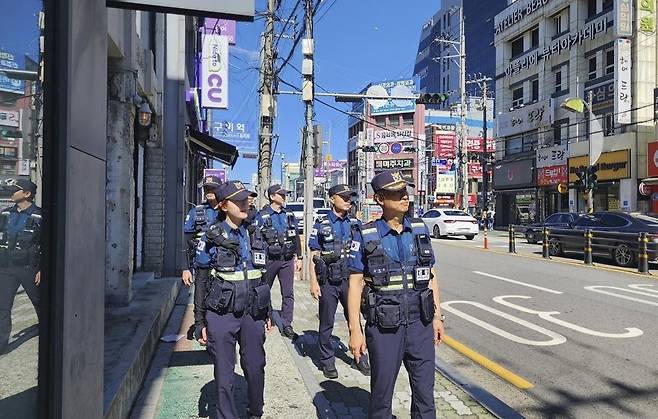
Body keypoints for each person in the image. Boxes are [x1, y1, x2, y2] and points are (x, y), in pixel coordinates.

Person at [346, 170, 444, 419]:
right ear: (380, 199)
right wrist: (355, 331)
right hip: (384, 328)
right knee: (381, 395)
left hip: (420, 324)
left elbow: (430, 275)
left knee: (425, 394)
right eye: (396, 192)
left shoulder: (420, 230)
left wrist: (437, 317)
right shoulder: (366, 235)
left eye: (405, 191)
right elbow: (355, 283)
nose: (404, 197)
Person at [194, 180, 272, 419]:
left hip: (252, 312)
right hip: (221, 313)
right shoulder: (211, 236)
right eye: (239, 200)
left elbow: (262, 275)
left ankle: (255, 410)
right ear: (224, 205)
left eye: (246, 199)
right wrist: (200, 321)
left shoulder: (255, 231)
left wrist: (267, 310)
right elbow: (202, 279)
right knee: (225, 373)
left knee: (255, 366)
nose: (245, 203)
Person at [308, 184, 370, 379]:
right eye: (343, 197)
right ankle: (327, 361)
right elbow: (314, 253)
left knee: (356, 320)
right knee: (327, 322)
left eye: (349, 197)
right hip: (328, 281)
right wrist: (313, 282)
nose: (348, 200)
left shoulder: (355, 224)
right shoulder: (322, 222)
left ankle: (360, 356)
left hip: (351, 281)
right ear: (332, 199)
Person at [0, 178, 41, 355]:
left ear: (27, 194)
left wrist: (42, 268)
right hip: (6, 267)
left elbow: (49, 244)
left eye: (13, 190)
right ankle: (1, 345)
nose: (10, 193)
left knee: (40, 302)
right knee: (2, 306)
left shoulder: (41, 215)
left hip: (29, 267)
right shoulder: (6, 214)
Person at [255, 184, 302, 340]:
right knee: (264, 291)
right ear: (272, 196)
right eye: (281, 194)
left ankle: (287, 324)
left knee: (288, 293)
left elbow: (295, 237)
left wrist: (299, 257)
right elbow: (256, 239)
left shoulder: (289, 214)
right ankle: (264, 318)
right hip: (269, 260)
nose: (284, 197)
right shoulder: (261, 216)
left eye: (285, 194)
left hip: (287, 260)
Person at [182, 175, 222, 287]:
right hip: (201, 265)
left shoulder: (228, 211)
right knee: (200, 303)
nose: (209, 191)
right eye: (206, 188)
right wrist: (185, 268)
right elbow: (186, 241)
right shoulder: (196, 211)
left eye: (212, 188)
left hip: (225, 267)